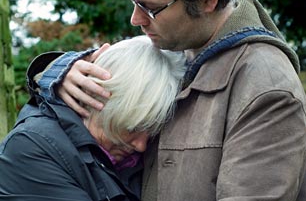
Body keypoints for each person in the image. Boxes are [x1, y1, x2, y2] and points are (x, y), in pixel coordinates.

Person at [23, 0, 306, 200]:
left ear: (207, 0)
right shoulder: (178, 43)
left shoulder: (266, 89)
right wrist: (56, 73)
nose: (135, 18)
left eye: (150, 8)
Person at [0, 36, 186, 201]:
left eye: (152, 130)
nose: (141, 145)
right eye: (131, 127)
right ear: (96, 97)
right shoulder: (31, 148)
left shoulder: (122, 153)